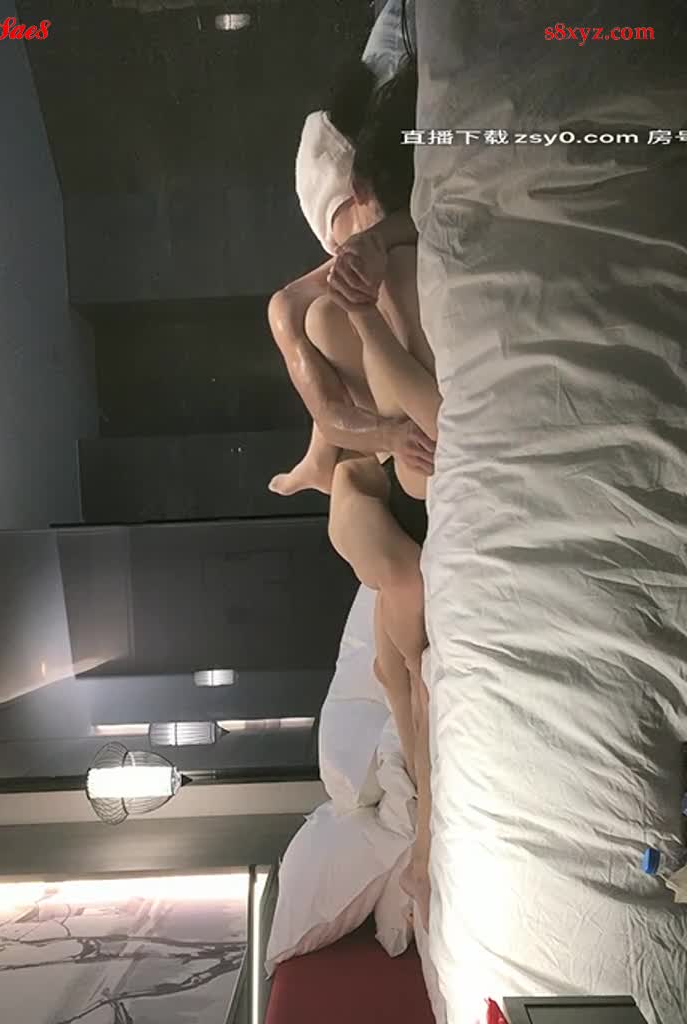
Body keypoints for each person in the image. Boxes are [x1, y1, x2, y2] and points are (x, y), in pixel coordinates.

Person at [301, 67, 440, 927]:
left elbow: (422, 435)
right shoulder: (339, 297)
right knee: (404, 644)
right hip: (374, 487)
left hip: (390, 488)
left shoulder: (391, 270)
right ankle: (424, 837)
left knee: (407, 650)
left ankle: (425, 840)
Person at [268, 5, 432, 497]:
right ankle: (323, 460)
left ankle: (327, 458)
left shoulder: (394, 228)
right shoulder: (297, 304)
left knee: (328, 308)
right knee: (308, 313)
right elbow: (329, 414)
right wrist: (389, 436)